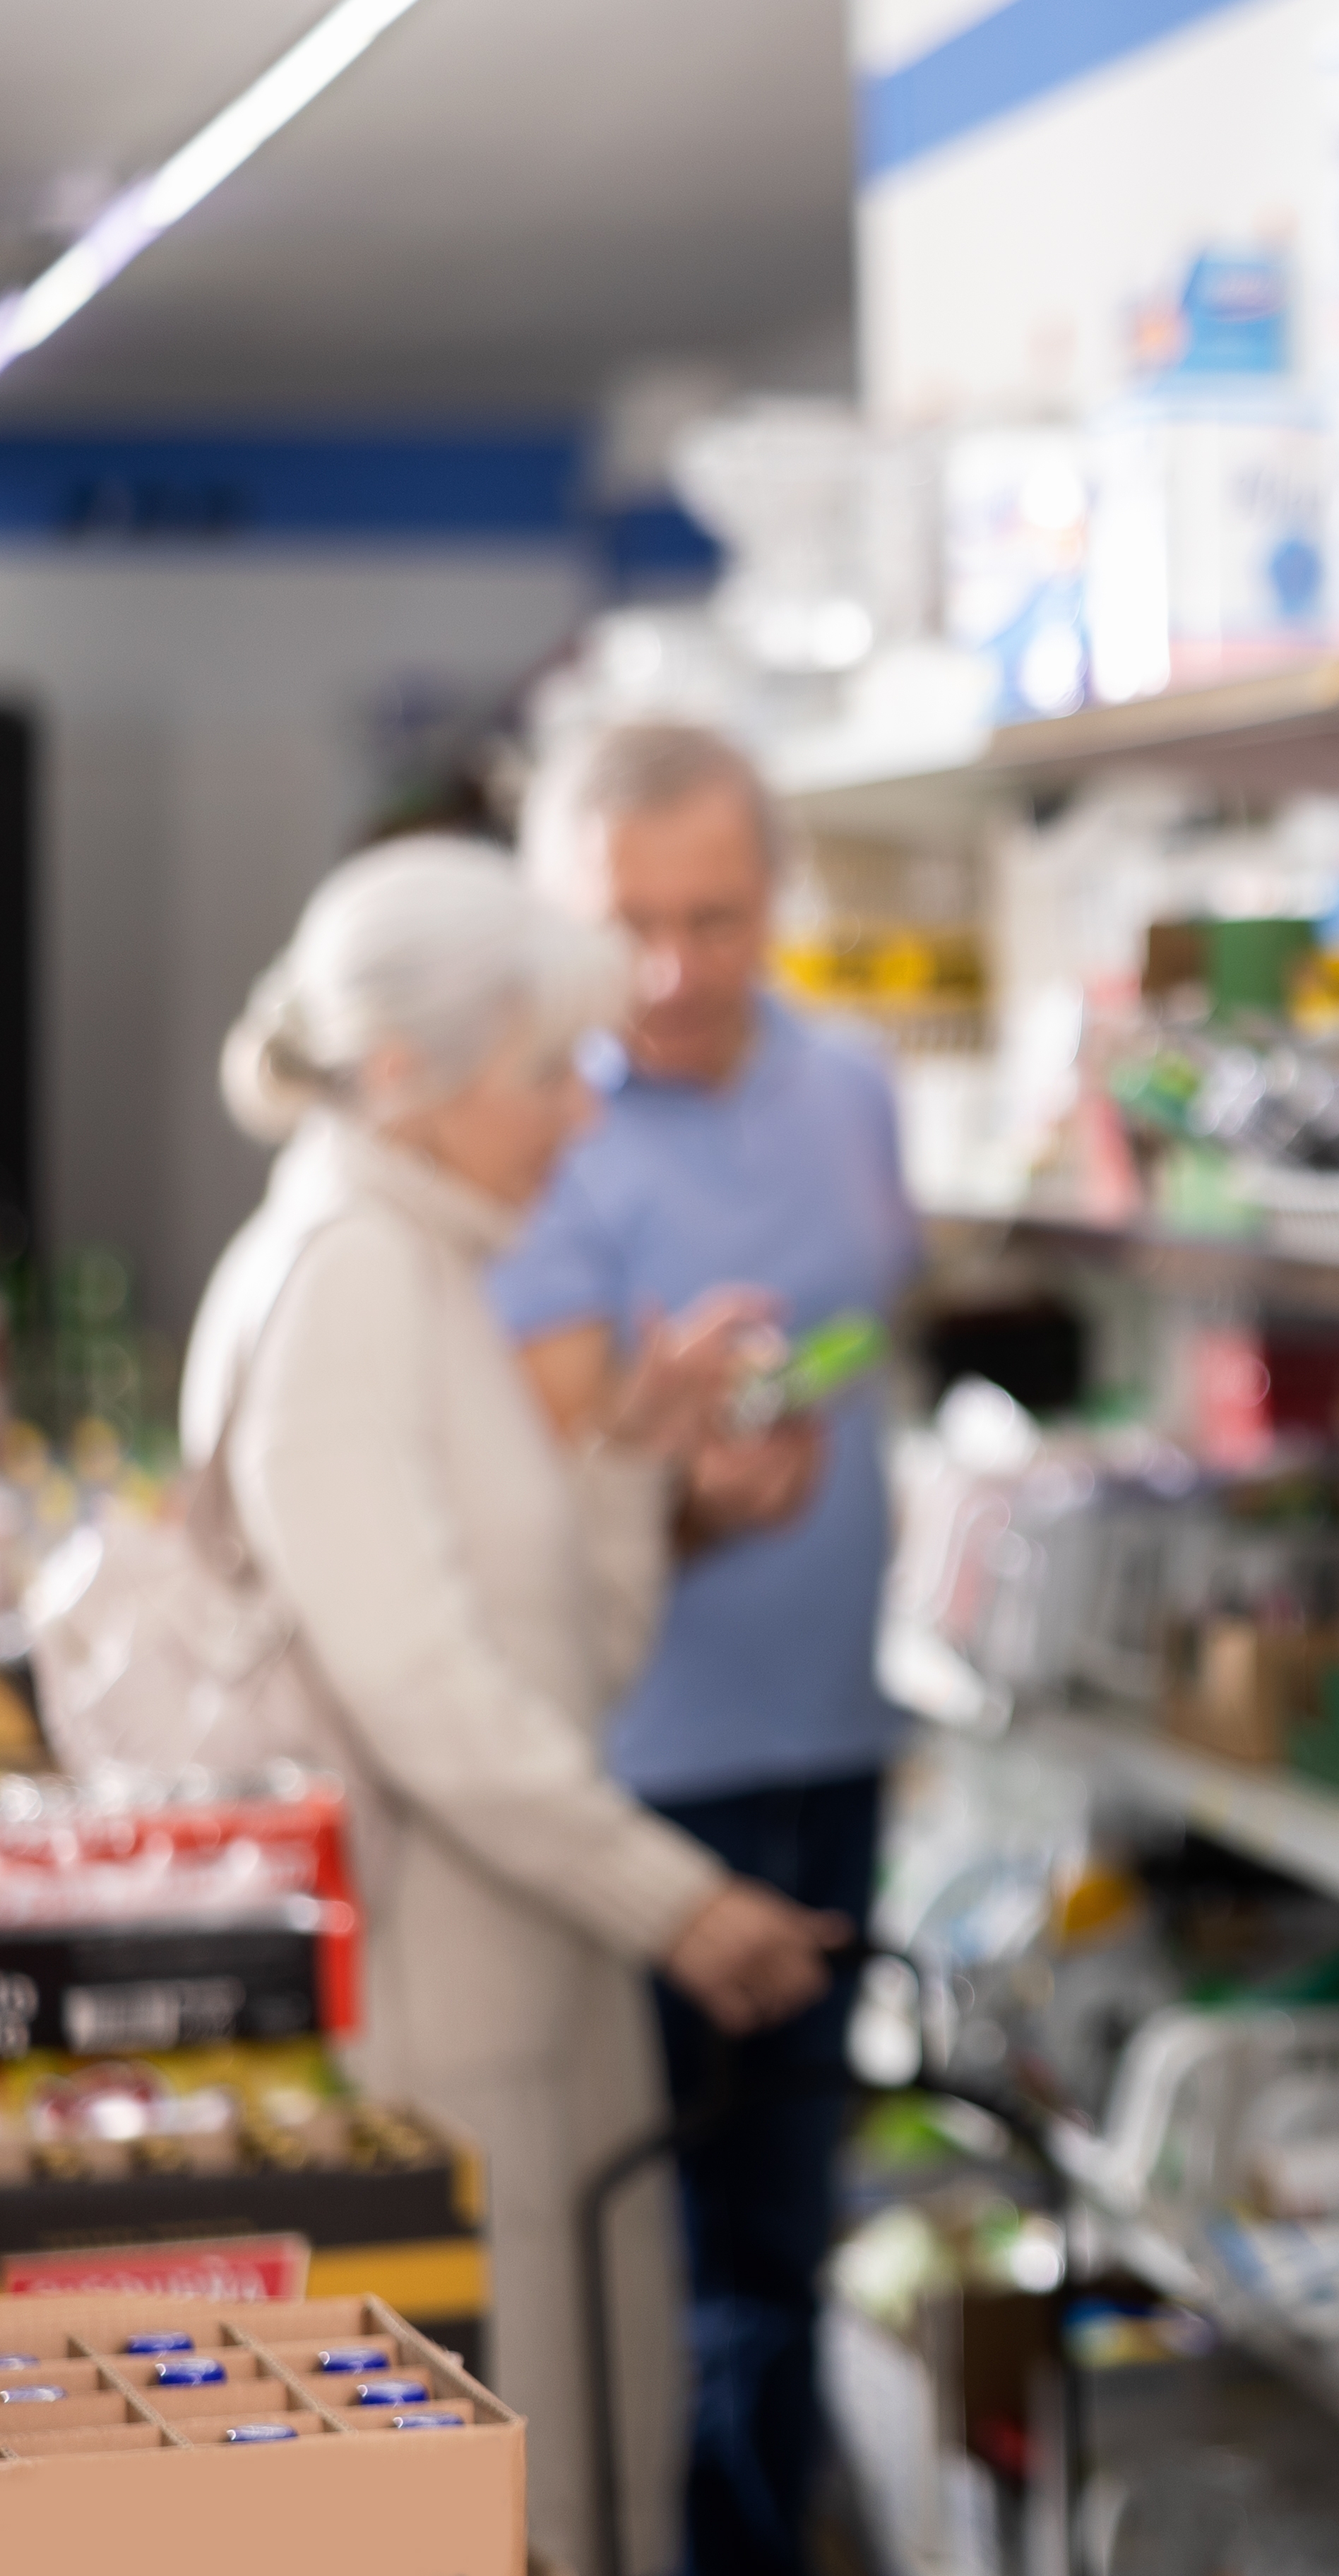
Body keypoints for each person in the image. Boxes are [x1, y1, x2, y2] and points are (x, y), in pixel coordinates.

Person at [188, 842, 846, 2576]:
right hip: (436, 2013)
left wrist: (632, 1461)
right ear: (406, 1074)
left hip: (522, 1982)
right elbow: (425, 1694)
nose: (579, 1118)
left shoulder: (418, 1271)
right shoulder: (346, 1278)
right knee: (515, 2500)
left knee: (586, 2459)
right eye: (545, 1073)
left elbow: (548, 1665)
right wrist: (680, 1902)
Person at [497, 720, 924, 2576]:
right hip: (637, 1773)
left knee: (788, 2227)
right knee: (661, 2264)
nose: (672, 971)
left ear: (778, 903)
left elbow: (869, 1320)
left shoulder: (852, 1087)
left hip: (830, 1735)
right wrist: (686, 1501)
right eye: (629, 924)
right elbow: (532, 1504)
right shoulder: (544, 1135)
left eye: (718, 916)